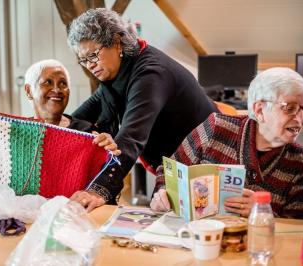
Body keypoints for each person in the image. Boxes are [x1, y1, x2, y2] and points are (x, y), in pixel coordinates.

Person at [67, 8, 218, 209]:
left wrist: (98, 189)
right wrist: (56, 127)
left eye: (93, 55)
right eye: (83, 60)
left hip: (205, 161)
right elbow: (81, 116)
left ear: (117, 42)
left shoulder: (150, 73)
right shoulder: (115, 77)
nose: (90, 65)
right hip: (175, 163)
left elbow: (130, 137)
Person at [150, 67, 303, 220]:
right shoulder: (216, 128)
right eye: (290, 108)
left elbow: (297, 226)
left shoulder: (302, 162)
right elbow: (168, 170)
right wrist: (163, 193)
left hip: (255, 245)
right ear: (259, 110)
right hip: (201, 239)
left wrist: (263, 212)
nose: (301, 119)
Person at [0, 59, 120, 174]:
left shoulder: (86, 131)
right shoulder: (14, 132)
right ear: (29, 91)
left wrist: (109, 150)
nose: (56, 89)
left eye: (63, 84)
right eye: (47, 82)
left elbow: (105, 176)